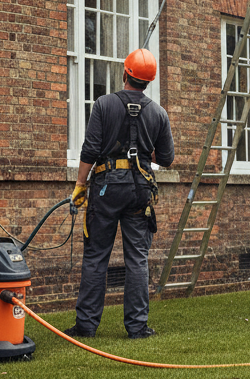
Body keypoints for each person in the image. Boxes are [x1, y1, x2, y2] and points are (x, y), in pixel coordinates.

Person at [66, 47, 174, 340]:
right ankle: (137, 327)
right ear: (148, 82)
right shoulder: (158, 113)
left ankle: (86, 326)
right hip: (140, 190)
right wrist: (142, 151)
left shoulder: (103, 105)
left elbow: (90, 150)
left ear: (125, 73)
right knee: (137, 258)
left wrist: (80, 185)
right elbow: (166, 158)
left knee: (96, 256)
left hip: (105, 187)